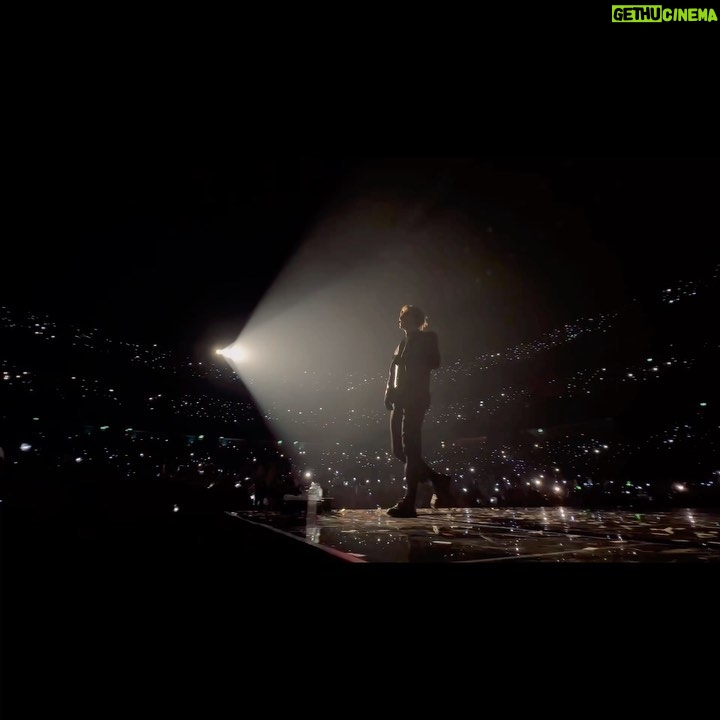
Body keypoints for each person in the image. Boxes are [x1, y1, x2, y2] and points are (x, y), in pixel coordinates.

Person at [384, 304, 454, 517]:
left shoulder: (427, 338)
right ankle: (437, 480)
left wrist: (411, 360)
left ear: (415, 319)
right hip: (399, 400)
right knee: (399, 450)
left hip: (415, 399)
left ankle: (410, 501)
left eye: (403, 316)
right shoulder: (401, 342)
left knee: (411, 449)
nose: (400, 318)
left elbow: (435, 362)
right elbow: (393, 370)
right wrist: (388, 391)